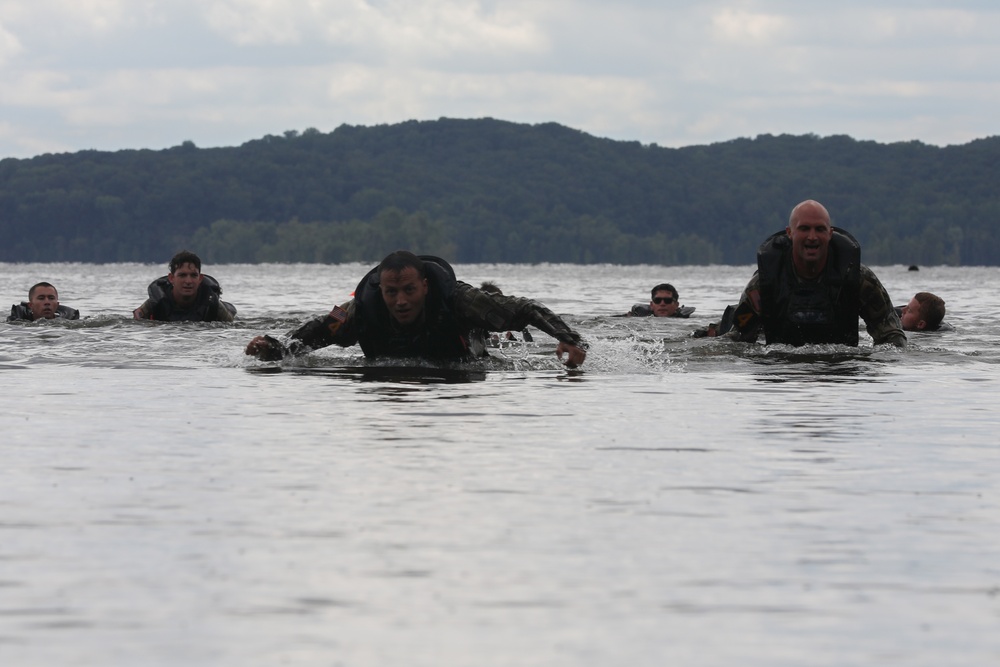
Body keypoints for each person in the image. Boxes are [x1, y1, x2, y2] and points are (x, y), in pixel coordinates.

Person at [245, 251, 586, 366]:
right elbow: (319, 328)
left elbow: (523, 307)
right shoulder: (359, 309)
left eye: (409, 291)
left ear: (424, 286)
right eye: (392, 292)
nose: (401, 301)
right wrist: (273, 346)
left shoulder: (461, 300)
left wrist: (567, 338)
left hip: (469, 356)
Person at [702, 200, 905, 347]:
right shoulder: (764, 285)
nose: (812, 237)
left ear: (830, 234)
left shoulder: (858, 280)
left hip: (841, 373)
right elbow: (737, 340)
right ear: (789, 233)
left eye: (819, 229)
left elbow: (892, 337)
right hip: (781, 370)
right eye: (804, 229)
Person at [133, 250, 236, 322]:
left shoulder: (212, 303)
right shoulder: (158, 300)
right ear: (171, 278)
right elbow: (137, 318)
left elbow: (231, 325)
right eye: (182, 275)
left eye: (193, 275)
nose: (188, 281)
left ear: (200, 278)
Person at [7, 282, 80, 322]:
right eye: (41, 298)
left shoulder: (67, 323)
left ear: (57, 304)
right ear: (30, 305)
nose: (47, 302)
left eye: (51, 298)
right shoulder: (18, 324)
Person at [618, 283, 695, 318]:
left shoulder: (685, 320)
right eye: (658, 300)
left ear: (676, 305)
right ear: (651, 305)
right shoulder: (638, 317)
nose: (662, 304)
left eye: (667, 300)